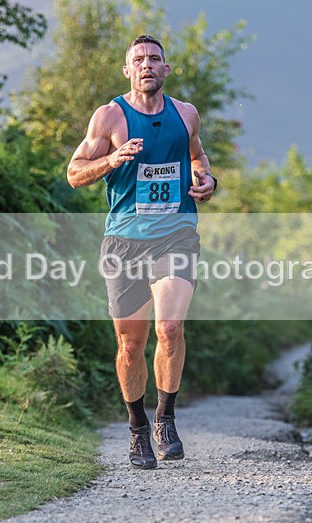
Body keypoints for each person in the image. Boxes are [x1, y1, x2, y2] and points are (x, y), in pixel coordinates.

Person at [67, 35, 217, 469]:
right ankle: (137, 428)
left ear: (166, 69)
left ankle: (165, 420)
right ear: (127, 70)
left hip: (176, 234)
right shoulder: (110, 116)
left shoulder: (185, 114)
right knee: (130, 344)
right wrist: (111, 161)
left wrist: (207, 180)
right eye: (139, 59)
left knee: (169, 327)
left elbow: (198, 157)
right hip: (124, 241)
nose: (147, 64)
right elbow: (74, 173)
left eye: (154, 58)